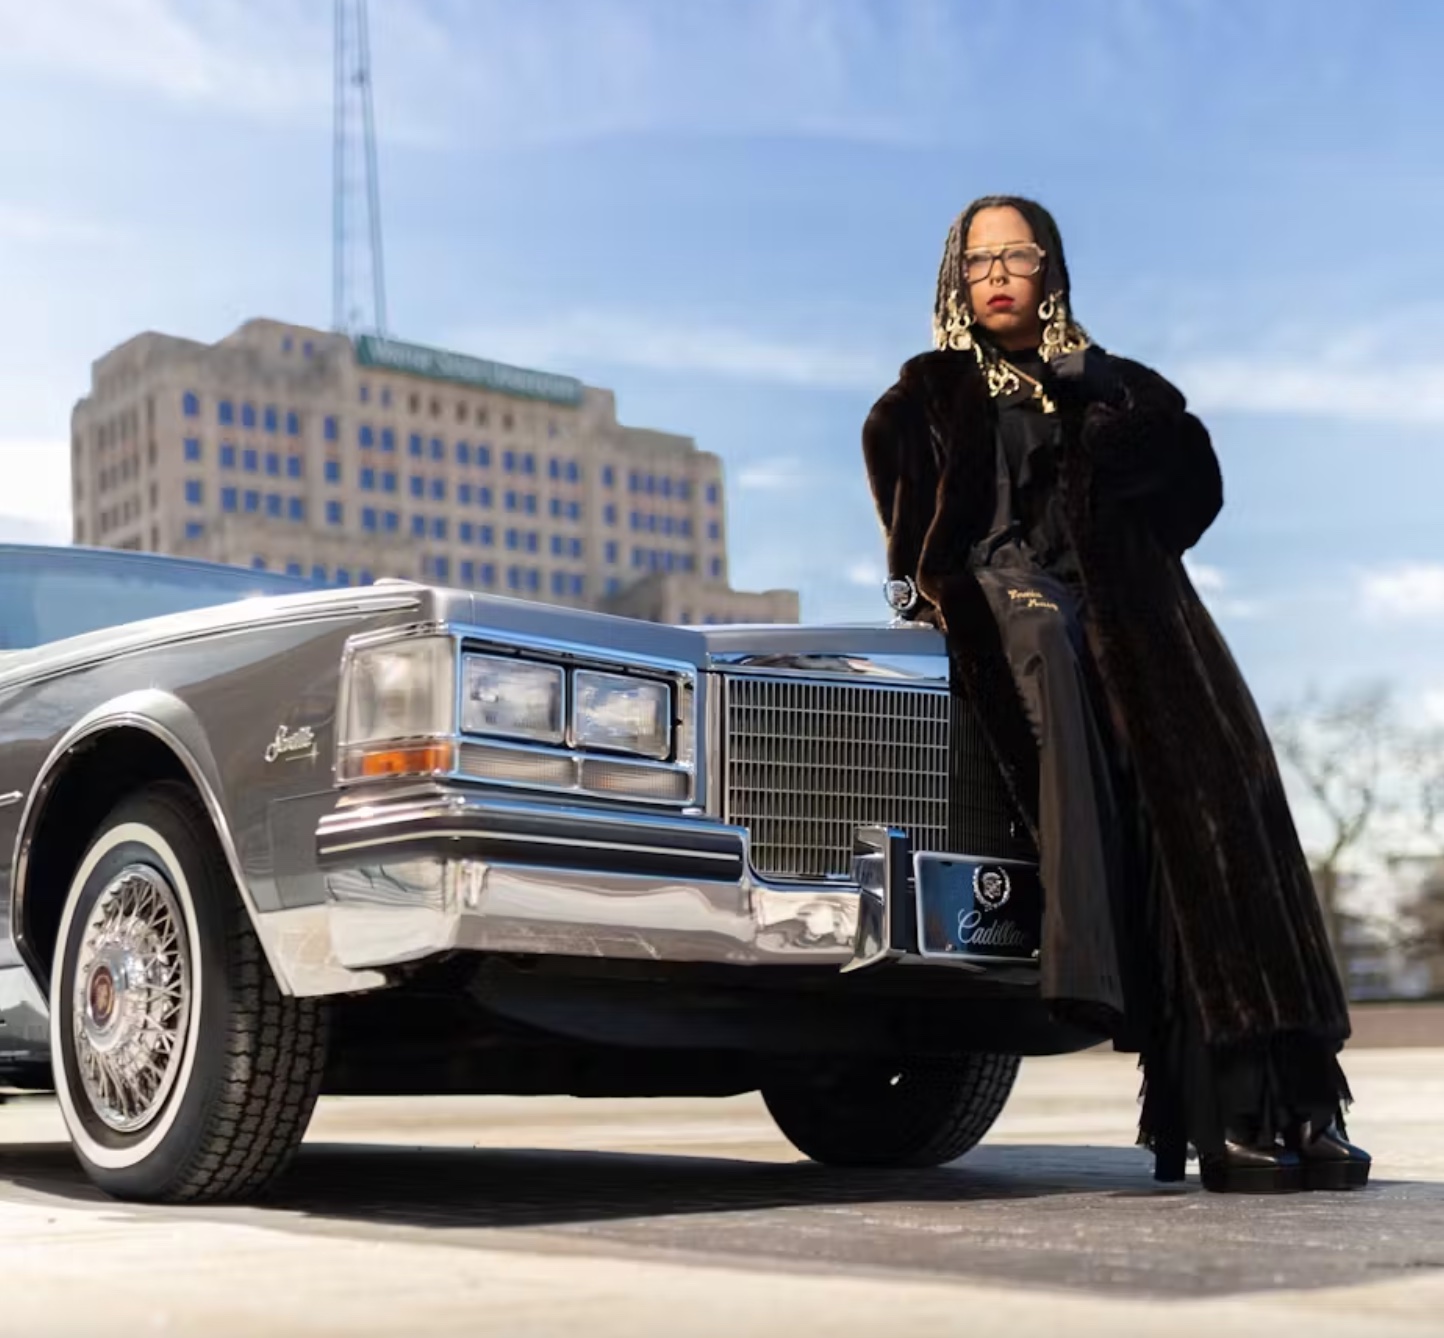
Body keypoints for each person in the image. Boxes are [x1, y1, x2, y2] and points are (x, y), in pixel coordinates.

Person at [861, 194, 1371, 1193]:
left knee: (1231, 838)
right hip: (1020, 616)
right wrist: (971, 605)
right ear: (953, 279)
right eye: (979, 261)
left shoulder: (1113, 385)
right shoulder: (919, 400)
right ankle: (1222, 1113)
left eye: (1020, 254)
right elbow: (918, 558)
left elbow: (1191, 506)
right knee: (1134, 806)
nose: (1000, 273)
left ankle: (1296, 1102)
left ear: (1052, 269)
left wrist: (1113, 402)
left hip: (1146, 622)